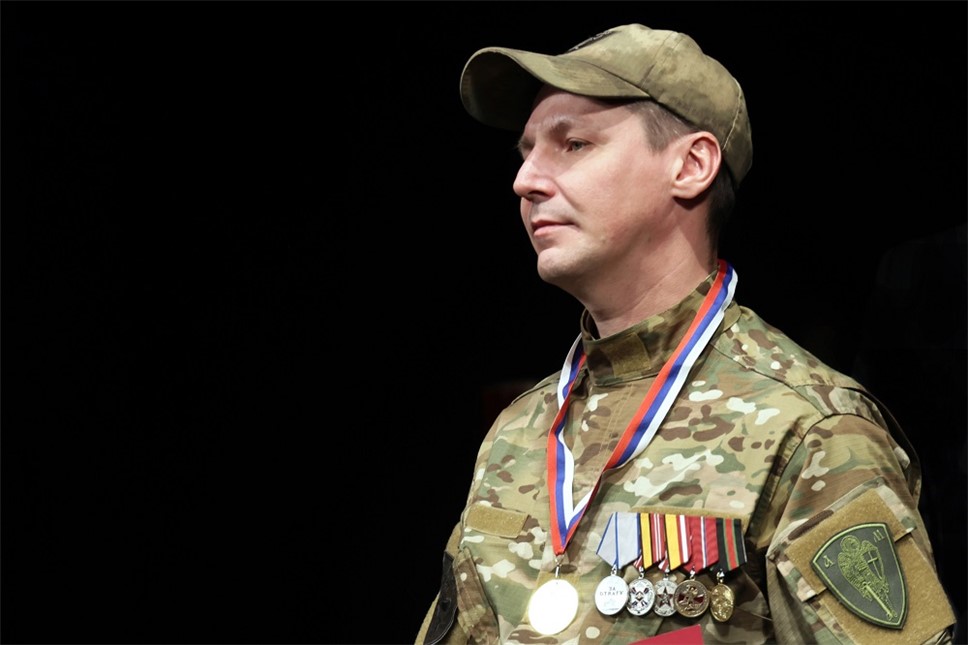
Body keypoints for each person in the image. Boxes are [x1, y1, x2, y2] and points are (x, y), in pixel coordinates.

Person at [416, 23, 957, 645]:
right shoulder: (517, 433)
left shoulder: (809, 428)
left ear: (692, 165)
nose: (525, 180)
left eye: (574, 144)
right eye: (526, 151)